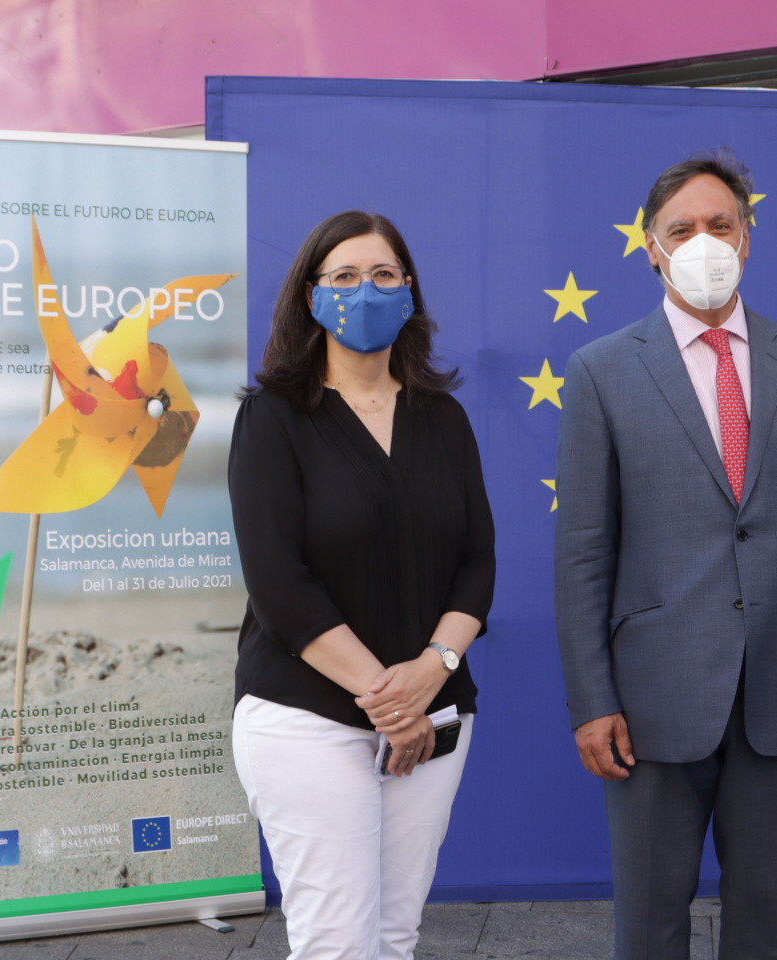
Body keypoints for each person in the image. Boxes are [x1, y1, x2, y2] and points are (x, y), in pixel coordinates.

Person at [554, 150, 777, 960]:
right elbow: (584, 553)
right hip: (651, 699)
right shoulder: (600, 370)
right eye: (682, 229)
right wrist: (592, 699)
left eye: (720, 225)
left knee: (767, 917)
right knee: (651, 922)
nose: (704, 242)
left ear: (748, 236)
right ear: (650, 246)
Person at [228, 211, 494, 959]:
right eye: (343, 276)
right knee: (337, 942)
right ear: (310, 297)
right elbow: (280, 585)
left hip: (434, 717)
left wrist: (430, 675)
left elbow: (479, 561)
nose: (364, 290)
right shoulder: (273, 419)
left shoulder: (443, 418)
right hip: (306, 717)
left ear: (408, 290)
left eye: (382, 275)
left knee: (393, 934)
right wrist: (390, 698)